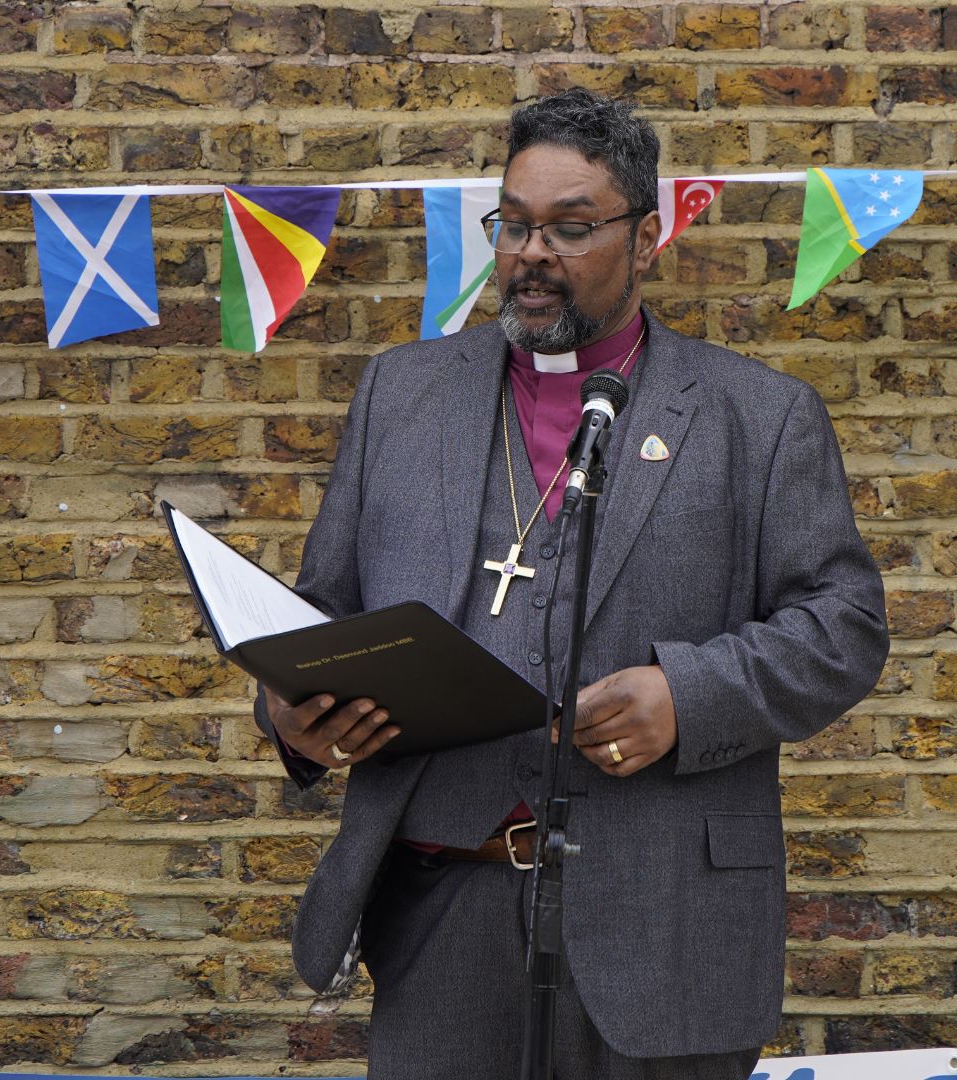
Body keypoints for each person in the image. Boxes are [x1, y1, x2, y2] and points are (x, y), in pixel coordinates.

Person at [255, 88, 889, 1080]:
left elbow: (843, 626)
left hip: (662, 916)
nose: (531, 253)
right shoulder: (400, 393)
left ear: (646, 238)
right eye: (513, 224)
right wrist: (290, 712)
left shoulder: (758, 417)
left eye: (570, 227)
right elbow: (322, 616)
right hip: (440, 912)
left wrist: (690, 694)